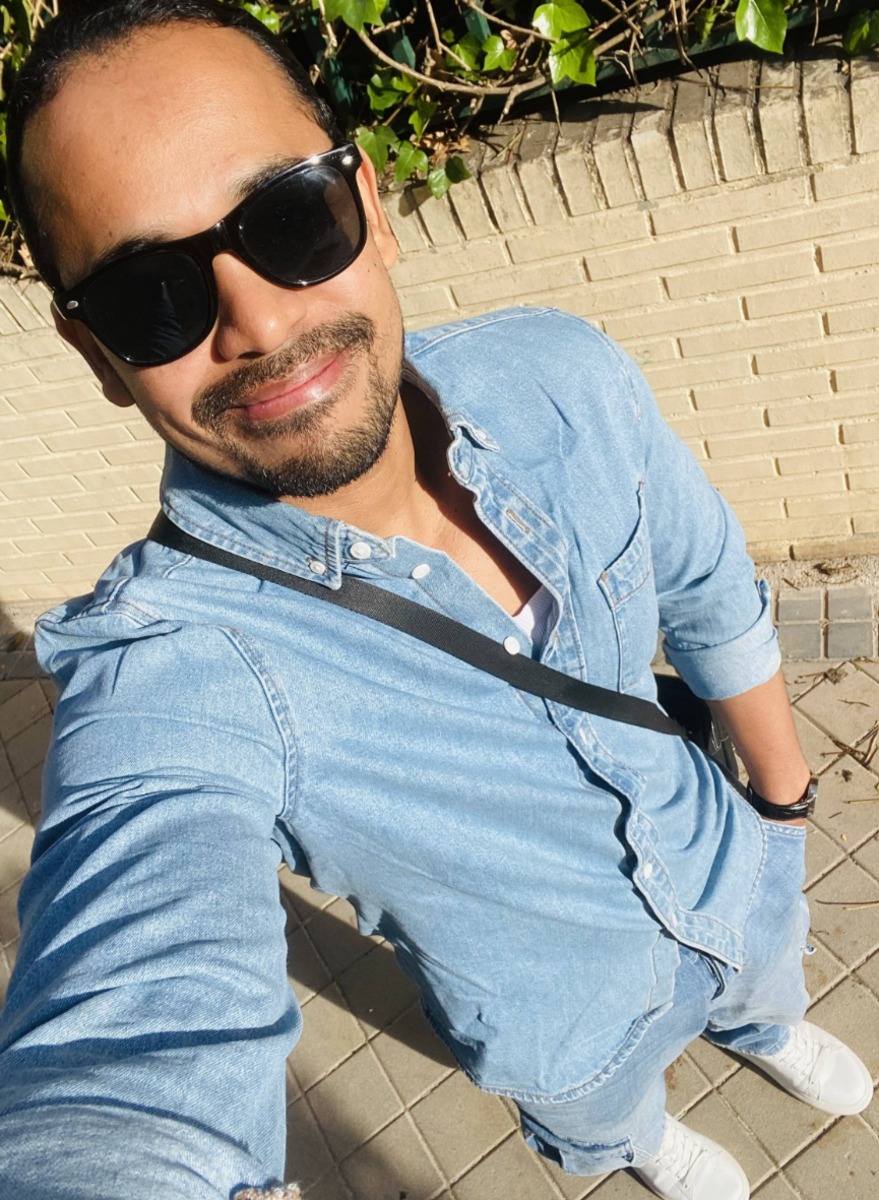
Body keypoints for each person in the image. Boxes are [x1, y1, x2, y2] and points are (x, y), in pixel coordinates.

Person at [0, 3, 872, 1199]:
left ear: (370, 201)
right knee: (607, 1122)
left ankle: (764, 1029)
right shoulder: (172, 670)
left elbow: (709, 589)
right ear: (98, 355)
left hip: (737, 867)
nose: (258, 320)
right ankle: (640, 1143)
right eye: (149, 295)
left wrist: (781, 810)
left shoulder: (557, 377)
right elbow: (125, 1053)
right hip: (570, 1034)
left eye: (289, 217)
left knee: (769, 986)